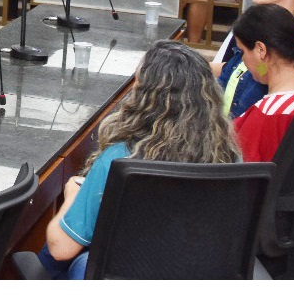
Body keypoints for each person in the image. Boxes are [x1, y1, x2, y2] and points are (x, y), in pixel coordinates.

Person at [36, 40, 240, 279]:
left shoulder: (121, 158)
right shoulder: (229, 157)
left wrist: (72, 198)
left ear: (145, 98)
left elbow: (62, 248)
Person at [227, 3, 294, 162]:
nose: (243, 60)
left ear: (261, 50)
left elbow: (239, 174)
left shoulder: (268, 114)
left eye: (242, 52)